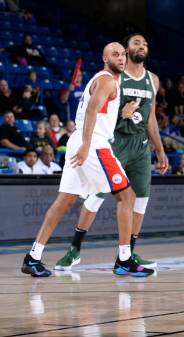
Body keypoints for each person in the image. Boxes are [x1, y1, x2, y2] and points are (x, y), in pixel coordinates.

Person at [21, 42, 153, 277]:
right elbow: (92, 110)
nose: (121, 58)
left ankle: (33, 256)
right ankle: (124, 259)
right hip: (93, 144)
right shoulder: (107, 80)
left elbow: (98, 112)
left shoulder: (102, 80)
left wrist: (122, 116)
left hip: (82, 141)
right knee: (126, 195)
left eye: (123, 54)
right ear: (105, 58)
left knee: (64, 201)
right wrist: (86, 144)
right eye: (115, 54)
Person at [55, 34, 169, 271]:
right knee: (96, 196)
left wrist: (160, 150)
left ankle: (128, 254)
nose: (142, 46)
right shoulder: (116, 76)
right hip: (114, 142)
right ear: (126, 49)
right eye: (137, 43)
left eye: (145, 43)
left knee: (141, 200)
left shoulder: (153, 80)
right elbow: (97, 111)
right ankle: (74, 249)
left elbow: (150, 119)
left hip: (140, 146)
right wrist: (121, 116)